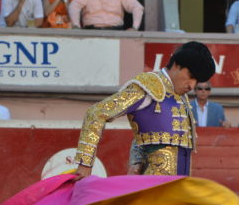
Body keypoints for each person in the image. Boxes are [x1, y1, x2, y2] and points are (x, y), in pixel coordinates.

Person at [75, 41, 215, 179]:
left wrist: (137, 161)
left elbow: (146, 131)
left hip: (178, 187)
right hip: (153, 187)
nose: (192, 85)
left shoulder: (181, 97)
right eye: (191, 77)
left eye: (196, 81)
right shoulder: (148, 86)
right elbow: (96, 113)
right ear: (177, 65)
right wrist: (85, 163)